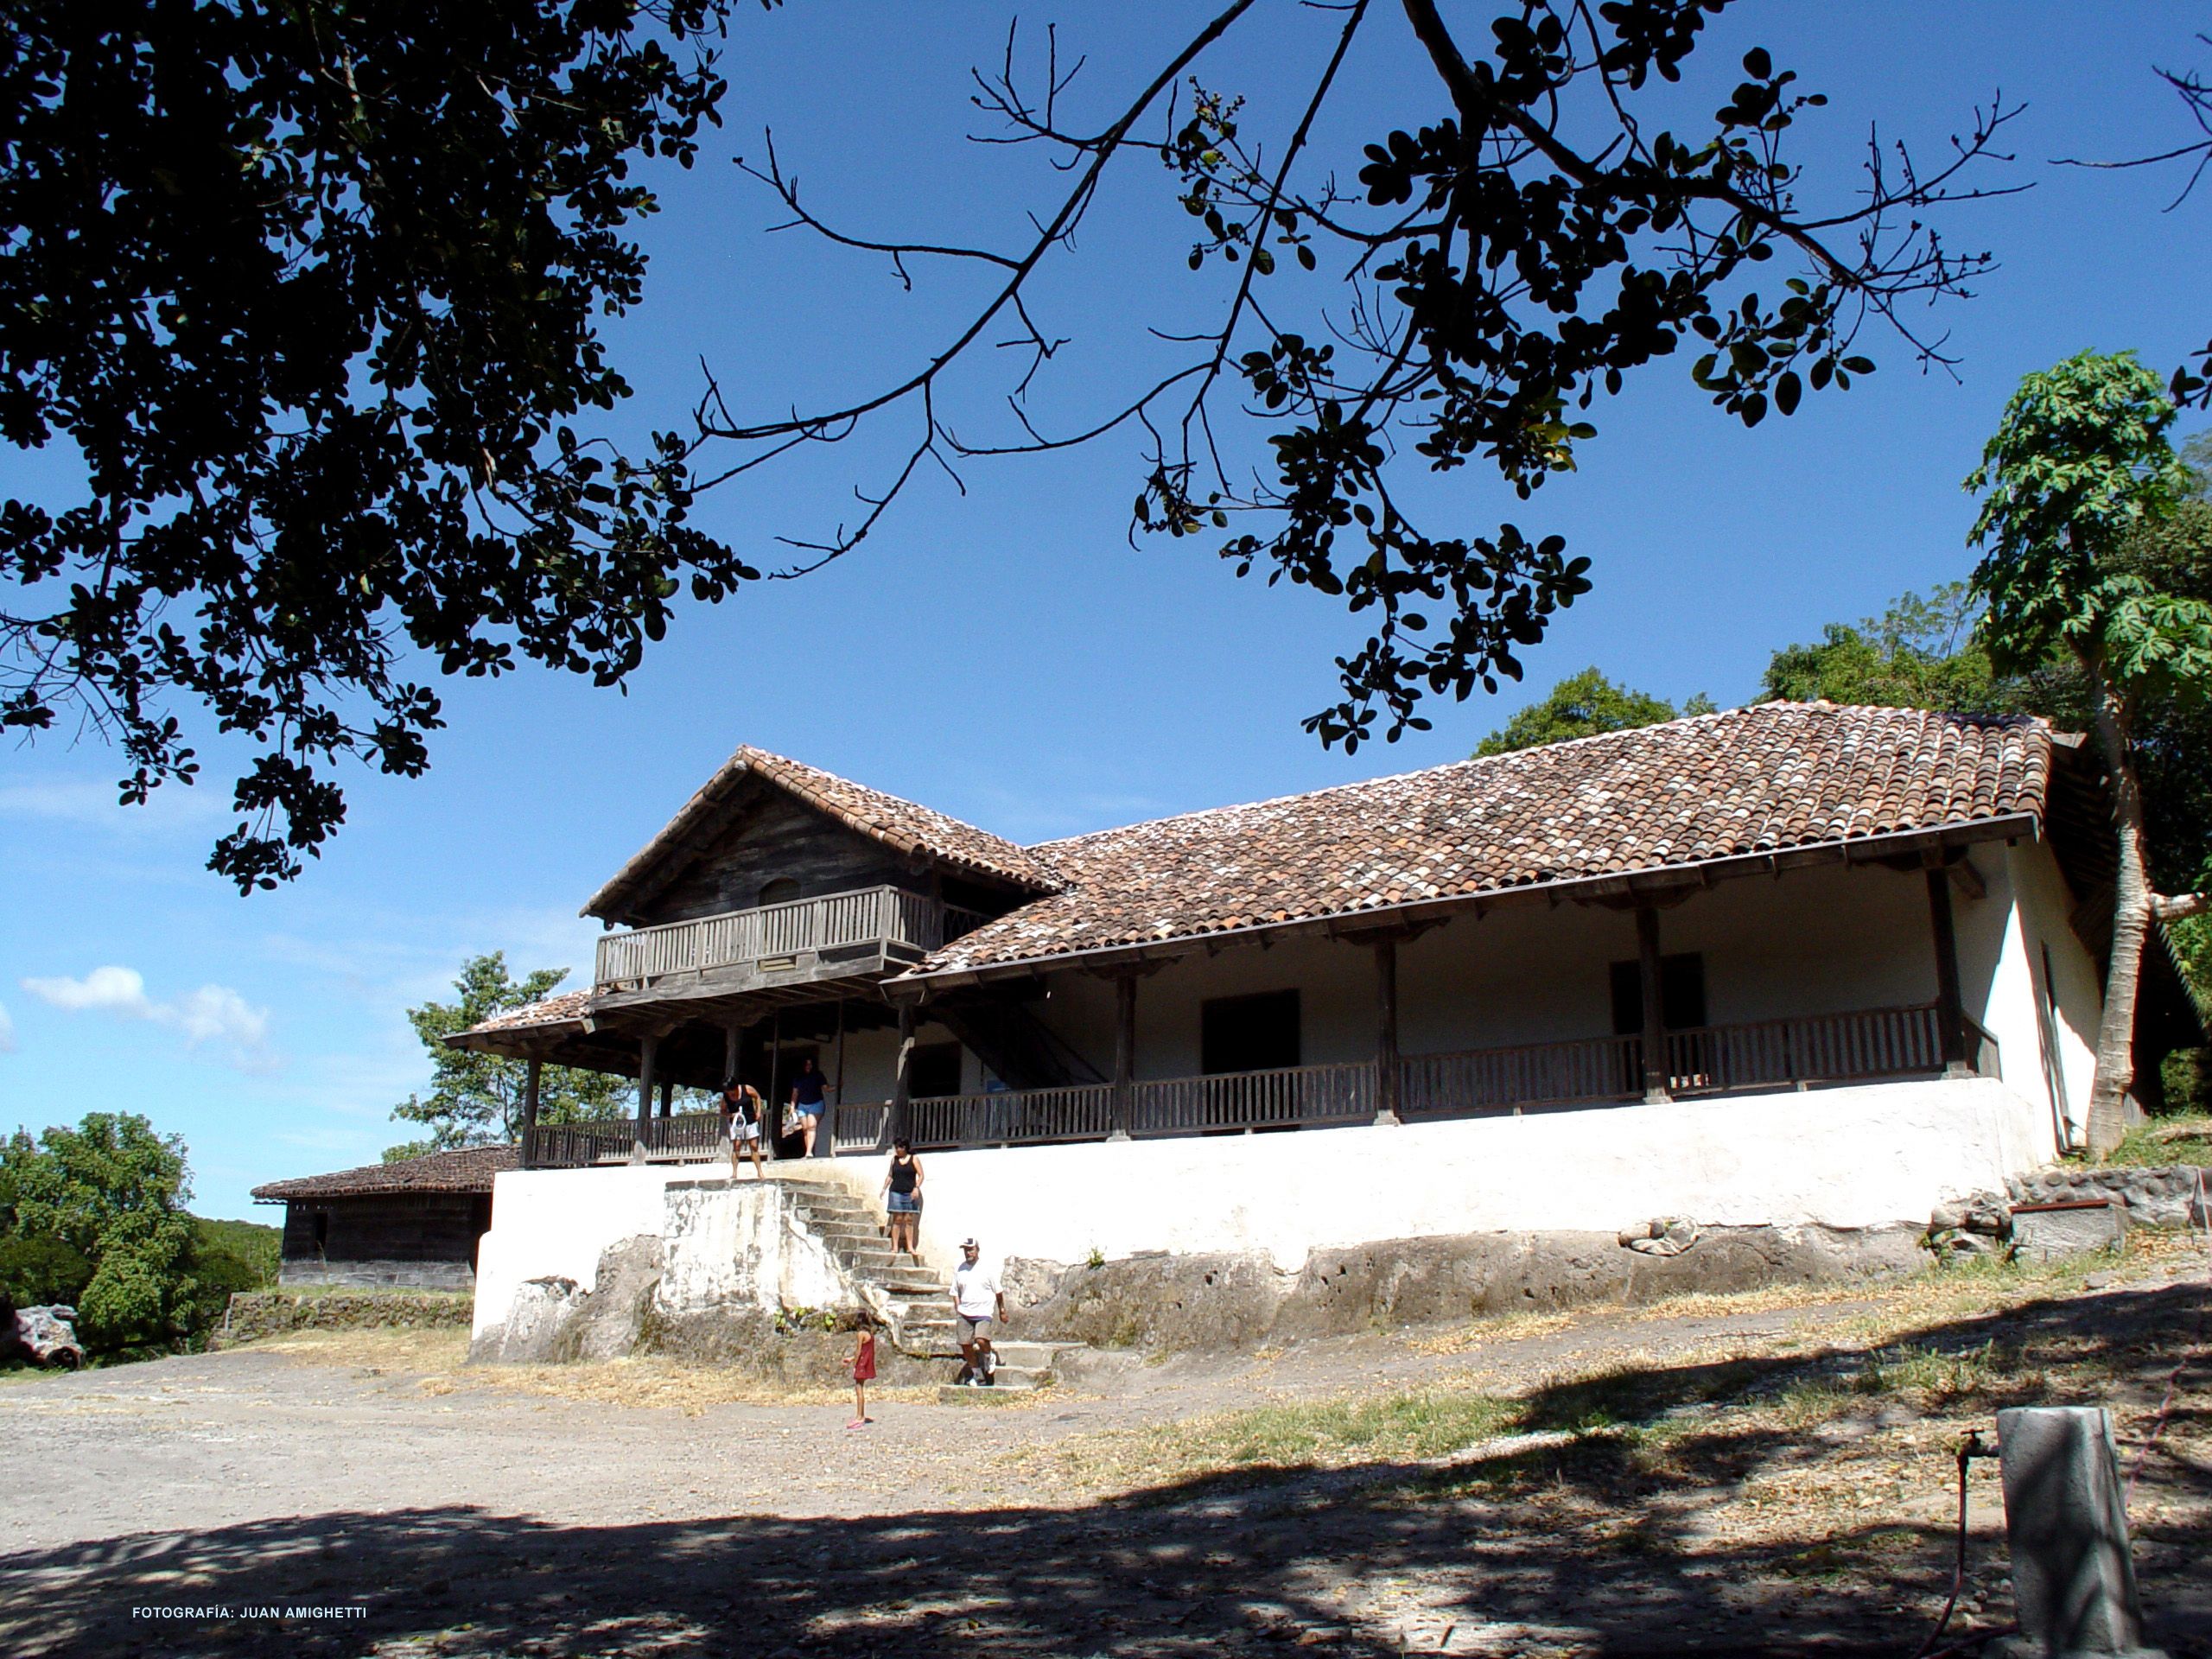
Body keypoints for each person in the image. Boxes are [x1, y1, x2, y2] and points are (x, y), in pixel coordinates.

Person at [951, 1236, 1005, 1387]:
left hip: (983, 1311)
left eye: (971, 1249)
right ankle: (978, 1374)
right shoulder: (960, 1269)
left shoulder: (987, 1268)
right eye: (966, 1250)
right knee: (965, 1344)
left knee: (981, 1339)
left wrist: (1002, 1310)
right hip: (965, 1311)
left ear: (977, 1250)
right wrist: (958, 1307)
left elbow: (998, 1291)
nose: (968, 1253)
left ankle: (988, 1356)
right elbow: (954, 1291)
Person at [880, 1140, 923, 1261]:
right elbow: (890, 1175)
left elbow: (921, 1175)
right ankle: (895, 1246)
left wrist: (916, 1188)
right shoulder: (894, 1160)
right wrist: (884, 1188)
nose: (897, 1150)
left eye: (899, 1147)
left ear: (904, 1148)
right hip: (896, 1192)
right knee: (897, 1219)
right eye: (896, 1147)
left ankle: (910, 1247)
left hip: (909, 1192)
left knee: (909, 1220)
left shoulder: (914, 1159)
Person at [719, 1079, 765, 1180]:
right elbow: (722, 1111)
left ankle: (760, 1172)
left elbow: (757, 1097)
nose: (729, 1092)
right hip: (736, 1124)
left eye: (730, 1090)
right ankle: (734, 1173)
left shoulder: (746, 1089)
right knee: (737, 1146)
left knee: (754, 1146)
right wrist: (731, 1115)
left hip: (750, 1121)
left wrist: (758, 1111)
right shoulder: (726, 1097)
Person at [790, 1056, 830, 1158]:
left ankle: (809, 1152)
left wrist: (837, 1086)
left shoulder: (818, 1075)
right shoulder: (798, 1077)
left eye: (810, 1064)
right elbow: (795, 1093)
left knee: (812, 1127)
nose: (808, 1066)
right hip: (802, 1105)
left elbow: (826, 1088)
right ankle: (808, 1152)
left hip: (816, 1104)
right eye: (807, 1064)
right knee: (805, 1129)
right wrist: (792, 1107)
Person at [848, 1316, 878, 1429]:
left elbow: (859, 1351)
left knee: (858, 1388)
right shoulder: (870, 1334)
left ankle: (860, 1416)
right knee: (860, 1388)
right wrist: (851, 1359)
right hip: (866, 1363)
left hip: (861, 1364)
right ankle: (861, 1416)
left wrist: (854, 1364)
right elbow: (865, 1351)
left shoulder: (861, 1334)